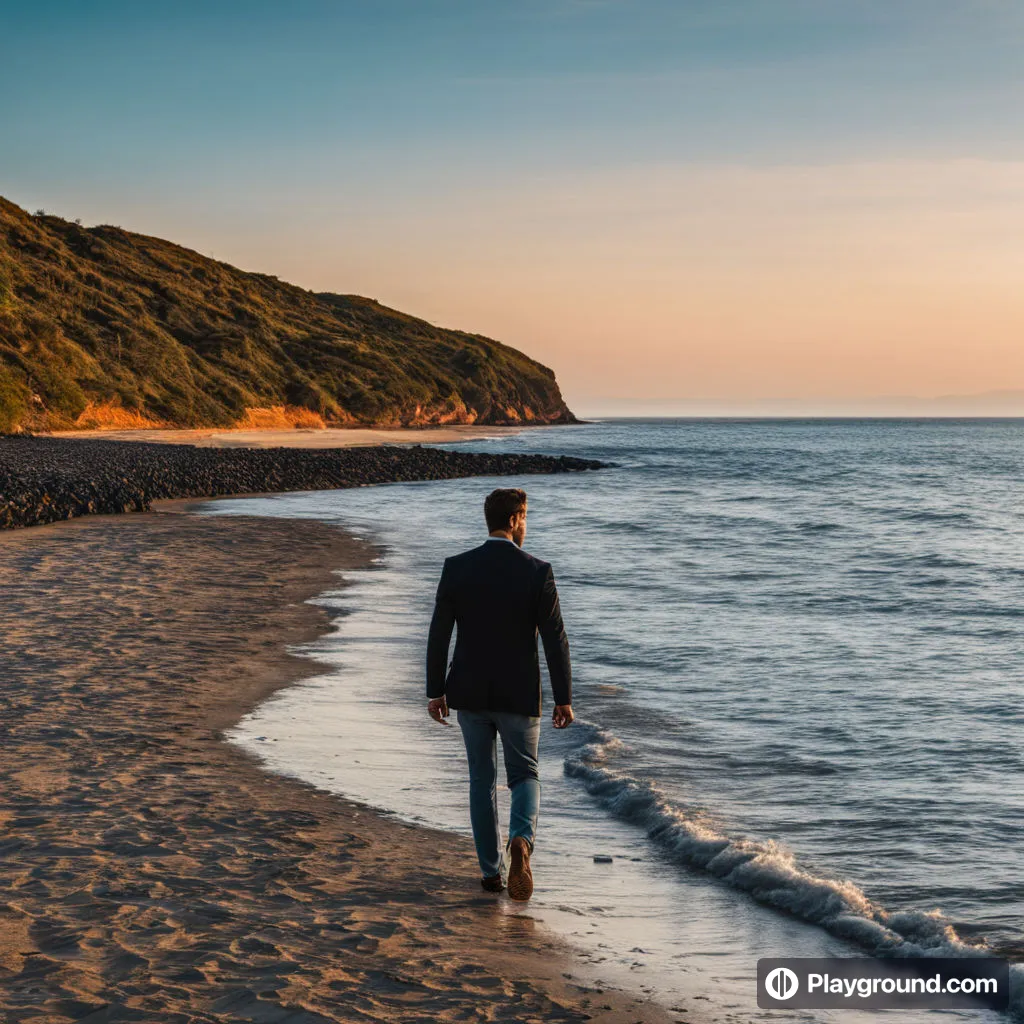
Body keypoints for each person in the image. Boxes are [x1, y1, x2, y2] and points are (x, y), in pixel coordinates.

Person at [426, 487, 574, 901]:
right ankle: (521, 842)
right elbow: (555, 640)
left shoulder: (456, 568)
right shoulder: (538, 571)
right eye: (525, 518)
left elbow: (439, 634)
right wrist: (564, 697)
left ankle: (491, 873)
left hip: (468, 692)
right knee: (525, 773)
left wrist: (435, 690)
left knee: (481, 780)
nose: (526, 526)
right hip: (519, 692)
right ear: (513, 520)